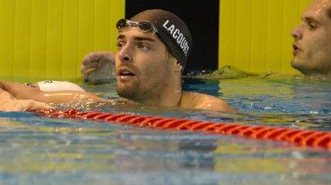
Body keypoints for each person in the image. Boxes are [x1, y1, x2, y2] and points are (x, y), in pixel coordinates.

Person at [1, 9, 232, 112]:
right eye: (121, 44)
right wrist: (15, 104)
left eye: (142, 45)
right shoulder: (107, 108)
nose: (122, 54)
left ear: (177, 62)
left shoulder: (208, 111)